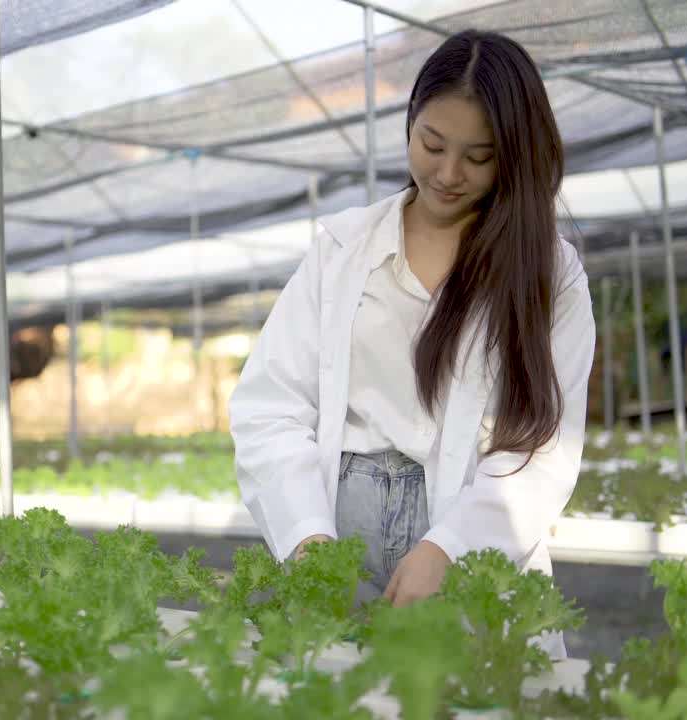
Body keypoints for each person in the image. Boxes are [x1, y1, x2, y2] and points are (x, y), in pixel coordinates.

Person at [228, 29, 594, 660]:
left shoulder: (549, 274)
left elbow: (542, 445)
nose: (448, 174)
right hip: (340, 533)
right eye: (432, 144)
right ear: (410, 124)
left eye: (479, 157)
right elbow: (270, 406)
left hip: (472, 532)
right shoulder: (343, 250)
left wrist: (449, 548)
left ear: (516, 153)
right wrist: (307, 536)